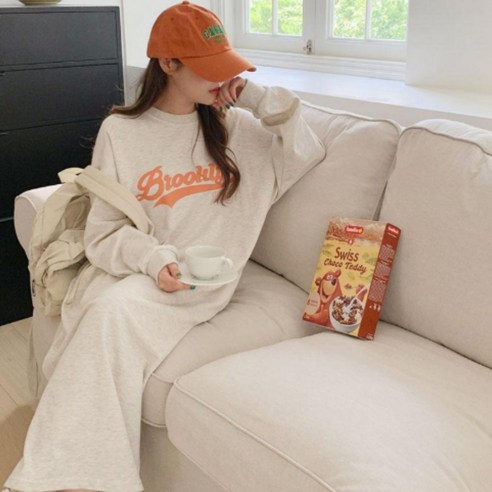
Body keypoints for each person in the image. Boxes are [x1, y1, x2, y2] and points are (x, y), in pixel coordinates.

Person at [3, 2, 325, 491]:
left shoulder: (238, 130)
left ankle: (63, 478)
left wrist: (254, 96)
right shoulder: (121, 132)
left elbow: (306, 150)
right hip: (155, 276)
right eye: (210, 68)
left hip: (209, 282)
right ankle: (78, 477)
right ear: (169, 64)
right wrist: (154, 260)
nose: (223, 79)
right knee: (102, 312)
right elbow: (105, 232)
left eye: (227, 67)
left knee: (107, 314)